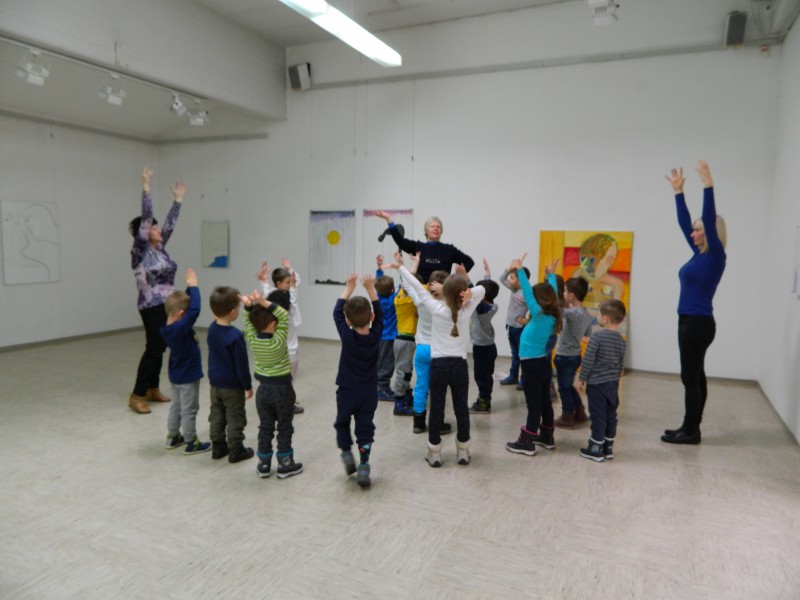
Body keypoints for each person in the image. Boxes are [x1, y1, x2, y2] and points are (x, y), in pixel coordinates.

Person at [661, 160, 727, 445]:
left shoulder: (715, 256)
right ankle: (691, 427)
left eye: (699, 229)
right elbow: (683, 223)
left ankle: (690, 431)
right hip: (690, 321)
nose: (693, 232)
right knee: (695, 375)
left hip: (697, 324)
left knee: (689, 377)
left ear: (709, 232)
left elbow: (708, 217)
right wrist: (678, 193)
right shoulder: (698, 254)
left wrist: (707, 184)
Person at [399, 253, 485, 468]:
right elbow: (483, 289)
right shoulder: (466, 310)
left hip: (438, 365)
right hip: (459, 366)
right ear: (461, 294)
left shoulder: (435, 308)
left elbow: (415, 286)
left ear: (444, 291)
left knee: (436, 410)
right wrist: (469, 291)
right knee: (461, 409)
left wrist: (401, 267)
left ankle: (435, 453)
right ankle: (463, 451)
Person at [128, 167, 186, 414]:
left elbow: (170, 225)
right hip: (151, 306)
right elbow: (146, 217)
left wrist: (178, 201)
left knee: (161, 346)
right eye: (153, 228)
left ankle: (152, 388)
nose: (158, 229)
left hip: (168, 304)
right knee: (153, 347)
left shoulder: (160, 249)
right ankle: (137, 394)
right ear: (142, 233)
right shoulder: (139, 252)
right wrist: (146, 187)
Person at [242, 289, 302, 478]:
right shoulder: (278, 340)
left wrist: (248, 307)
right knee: (284, 427)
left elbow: (248, 323)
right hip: (283, 390)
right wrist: (262, 301)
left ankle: (264, 464)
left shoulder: (252, 340)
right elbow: (283, 314)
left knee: (265, 427)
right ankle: (285, 464)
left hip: (263, 392)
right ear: (273, 324)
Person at [506, 255, 562, 456]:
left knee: (534, 404)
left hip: (531, 365)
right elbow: (553, 294)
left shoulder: (538, 315)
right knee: (544, 401)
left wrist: (520, 271)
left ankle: (527, 441)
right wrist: (551, 275)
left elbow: (528, 293)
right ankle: (546, 436)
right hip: (542, 363)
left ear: (539, 301)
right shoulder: (552, 313)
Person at [333, 273, 383, 488]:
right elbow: (381, 313)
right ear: (371, 317)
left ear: (347, 322)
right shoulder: (376, 335)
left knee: (342, 422)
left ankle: (346, 452)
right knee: (365, 427)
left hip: (346, 390)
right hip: (368, 392)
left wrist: (349, 288)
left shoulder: (347, 336)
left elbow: (336, 312)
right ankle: (363, 465)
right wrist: (371, 288)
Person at [395, 254, 452, 435]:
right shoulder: (448, 304)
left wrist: (412, 265)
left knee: (421, 385)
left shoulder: (421, 300)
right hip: (439, 352)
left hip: (421, 349)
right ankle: (438, 423)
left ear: (429, 284)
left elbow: (407, 283)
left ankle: (418, 423)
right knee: (438, 389)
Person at [160, 268, 211, 455]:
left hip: (176, 374)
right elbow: (194, 310)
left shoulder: (169, 327)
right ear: (182, 314)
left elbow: (188, 308)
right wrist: (194, 286)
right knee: (190, 410)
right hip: (188, 376)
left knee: (176, 406)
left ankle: (173, 436)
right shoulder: (180, 329)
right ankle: (191, 442)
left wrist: (188, 289)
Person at [207, 286, 254, 462]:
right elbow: (241, 366)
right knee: (235, 416)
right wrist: (247, 386)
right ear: (233, 312)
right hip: (232, 386)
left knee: (217, 414)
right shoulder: (235, 336)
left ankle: (218, 447)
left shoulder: (211, 329)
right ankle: (236, 450)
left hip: (215, 383)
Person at [577, 299, 627, 461]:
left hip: (596, 385)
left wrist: (582, 377)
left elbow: (588, 360)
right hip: (612, 385)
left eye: (598, 314)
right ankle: (608, 447)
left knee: (598, 416)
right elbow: (620, 365)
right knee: (611, 416)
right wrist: (615, 381)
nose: (597, 316)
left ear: (605, 318)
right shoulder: (621, 340)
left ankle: (596, 449)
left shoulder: (597, 337)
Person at [373, 210, 474, 283]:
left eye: (438, 227)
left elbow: (469, 262)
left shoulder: (449, 249)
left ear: (441, 231)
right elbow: (400, 241)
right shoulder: (418, 247)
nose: (436, 228)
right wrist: (389, 219)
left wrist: (454, 280)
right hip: (421, 292)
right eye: (432, 226)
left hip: (443, 294)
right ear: (426, 230)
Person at [258, 259, 305, 414]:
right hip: (290, 352)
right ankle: (287, 404)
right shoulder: (288, 310)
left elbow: (266, 292)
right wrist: (290, 270)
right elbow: (294, 296)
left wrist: (264, 280)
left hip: (276, 350)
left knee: (276, 379)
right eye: (287, 283)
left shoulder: (272, 303)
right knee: (288, 381)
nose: (290, 285)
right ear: (279, 284)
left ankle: (275, 402)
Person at [553, 277, 593, 428]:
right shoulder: (586, 314)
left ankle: (567, 417)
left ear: (571, 296)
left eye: (564, 291)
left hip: (565, 356)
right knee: (569, 385)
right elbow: (587, 334)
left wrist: (552, 279)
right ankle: (580, 413)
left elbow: (555, 308)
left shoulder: (571, 313)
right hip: (575, 355)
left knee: (564, 387)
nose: (563, 293)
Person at [469, 259, 500, 414]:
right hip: (485, 347)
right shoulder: (490, 304)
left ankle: (483, 403)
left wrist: (466, 277)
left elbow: (477, 298)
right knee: (485, 375)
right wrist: (487, 274)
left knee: (482, 377)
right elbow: (486, 292)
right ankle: (485, 399)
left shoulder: (484, 309)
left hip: (484, 349)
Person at [499, 262, 531, 388]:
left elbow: (534, 309)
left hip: (519, 329)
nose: (509, 279)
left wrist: (527, 320)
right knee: (514, 353)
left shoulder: (526, 293)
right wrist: (509, 269)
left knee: (522, 354)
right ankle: (513, 376)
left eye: (512, 277)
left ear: (520, 280)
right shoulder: (514, 289)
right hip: (510, 326)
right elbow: (501, 278)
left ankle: (524, 379)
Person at [374, 255, 398, 402]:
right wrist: (401, 267)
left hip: (378, 337)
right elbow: (405, 287)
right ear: (392, 289)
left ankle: (378, 386)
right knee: (387, 364)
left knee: (379, 361)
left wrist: (379, 269)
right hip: (389, 338)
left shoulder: (377, 299)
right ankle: (383, 389)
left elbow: (378, 283)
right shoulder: (394, 300)